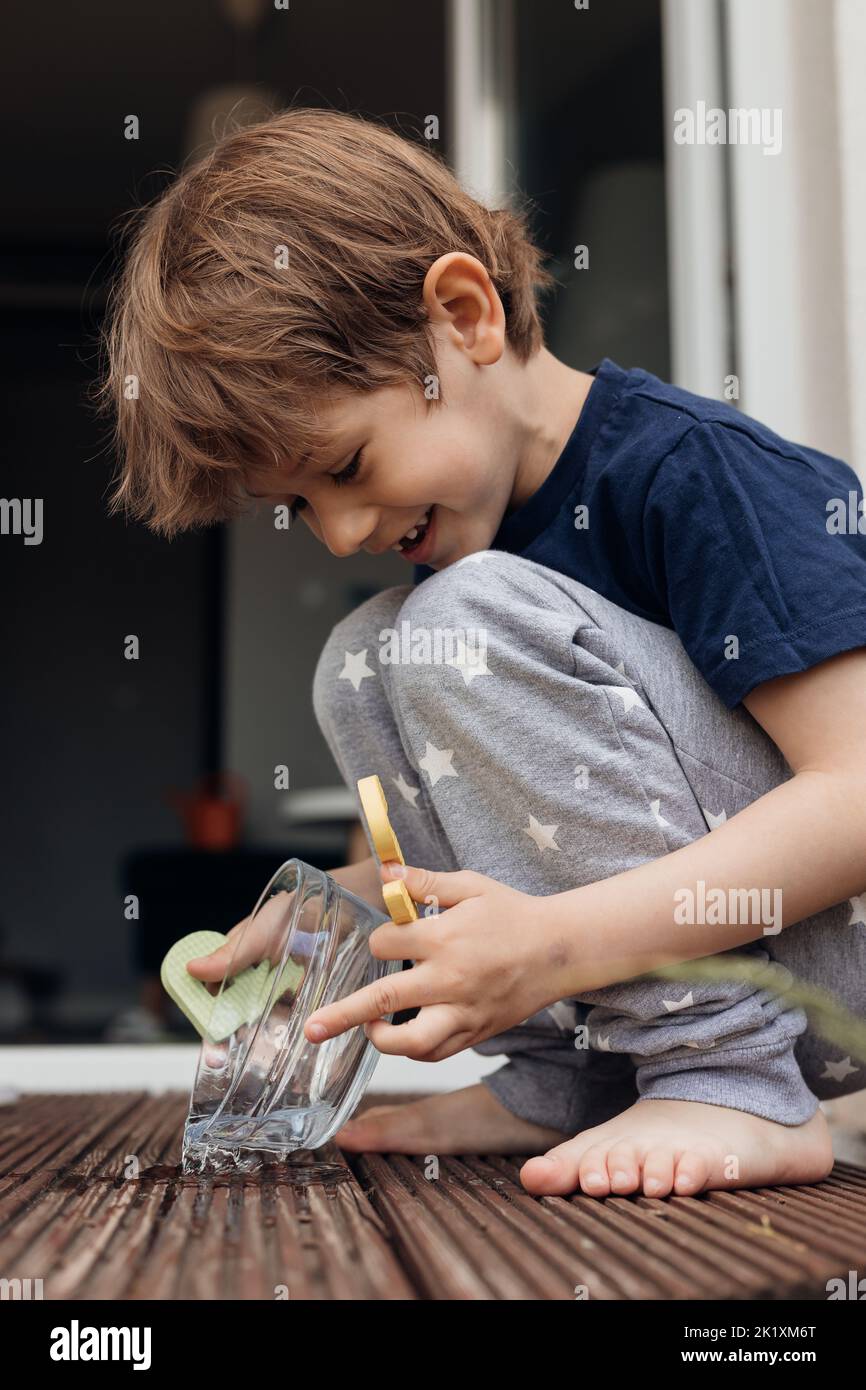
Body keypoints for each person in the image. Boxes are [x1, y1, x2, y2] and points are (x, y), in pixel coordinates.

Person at [99, 108, 866, 1198]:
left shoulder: (695, 476)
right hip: (741, 961)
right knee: (362, 654)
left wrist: (555, 943)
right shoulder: (467, 554)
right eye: (298, 505)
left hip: (826, 967)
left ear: (461, 316)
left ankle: (727, 1079)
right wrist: (342, 907)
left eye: (348, 465)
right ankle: (570, 1080)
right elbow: (581, 802)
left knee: (457, 619)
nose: (342, 533)